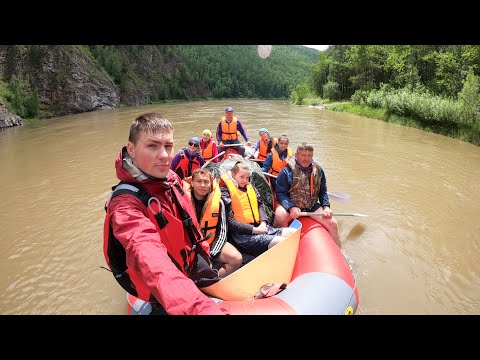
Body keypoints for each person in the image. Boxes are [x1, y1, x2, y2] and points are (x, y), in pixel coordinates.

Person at [103, 112, 228, 315]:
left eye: (168, 146)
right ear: (132, 149)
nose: (164, 155)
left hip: (190, 259)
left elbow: (189, 222)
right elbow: (150, 259)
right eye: (152, 146)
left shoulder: (171, 178)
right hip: (162, 284)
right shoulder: (125, 205)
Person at [219, 161, 296, 258]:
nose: (244, 180)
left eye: (247, 178)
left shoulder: (251, 188)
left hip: (258, 227)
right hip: (241, 236)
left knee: (293, 232)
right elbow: (230, 222)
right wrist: (254, 230)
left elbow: (260, 205)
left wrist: (263, 222)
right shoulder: (225, 191)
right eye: (241, 177)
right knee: (280, 242)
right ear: (234, 174)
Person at [274, 143, 341, 248]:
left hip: (311, 205)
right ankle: (283, 246)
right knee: (280, 216)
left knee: (333, 223)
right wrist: (291, 207)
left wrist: (326, 207)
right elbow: (280, 193)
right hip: (291, 204)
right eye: (303, 155)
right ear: (296, 155)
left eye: (309, 155)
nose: (306, 158)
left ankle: (340, 253)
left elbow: (323, 191)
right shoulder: (286, 171)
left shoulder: (319, 170)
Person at [185, 168, 243, 278]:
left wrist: (210, 253)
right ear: (192, 183)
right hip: (190, 245)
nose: (203, 185)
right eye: (199, 181)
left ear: (211, 183)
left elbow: (222, 232)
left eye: (206, 182)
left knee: (236, 258)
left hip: (211, 243)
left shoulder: (219, 203)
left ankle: (214, 280)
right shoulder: (183, 200)